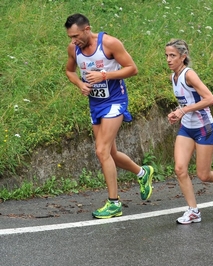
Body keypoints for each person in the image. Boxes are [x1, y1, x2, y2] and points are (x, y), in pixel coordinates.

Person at [64, 13, 154, 219]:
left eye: (76, 36)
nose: (73, 41)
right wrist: (80, 84)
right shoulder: (73, 49)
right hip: (95, 103)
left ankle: (114, 203)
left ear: (87, 29)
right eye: (70, 37)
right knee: (110, 154)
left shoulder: (110, 43)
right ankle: (143, 172)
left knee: (101, 151)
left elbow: (132, 69)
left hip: (115, 101)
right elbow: (69, 71)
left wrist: (105, 75)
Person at [165, 39, 213, 224]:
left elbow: (210, 99)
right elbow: (188, 101)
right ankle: (193, 211)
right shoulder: (173, 77)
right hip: (186, 127)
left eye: (173, 55)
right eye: (166, 55)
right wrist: (178, 112)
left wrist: (184, 110)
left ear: (183, 57)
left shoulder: (189, 75)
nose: (168, 59)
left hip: (204, 128)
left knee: (204, 175)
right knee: (180, 168)